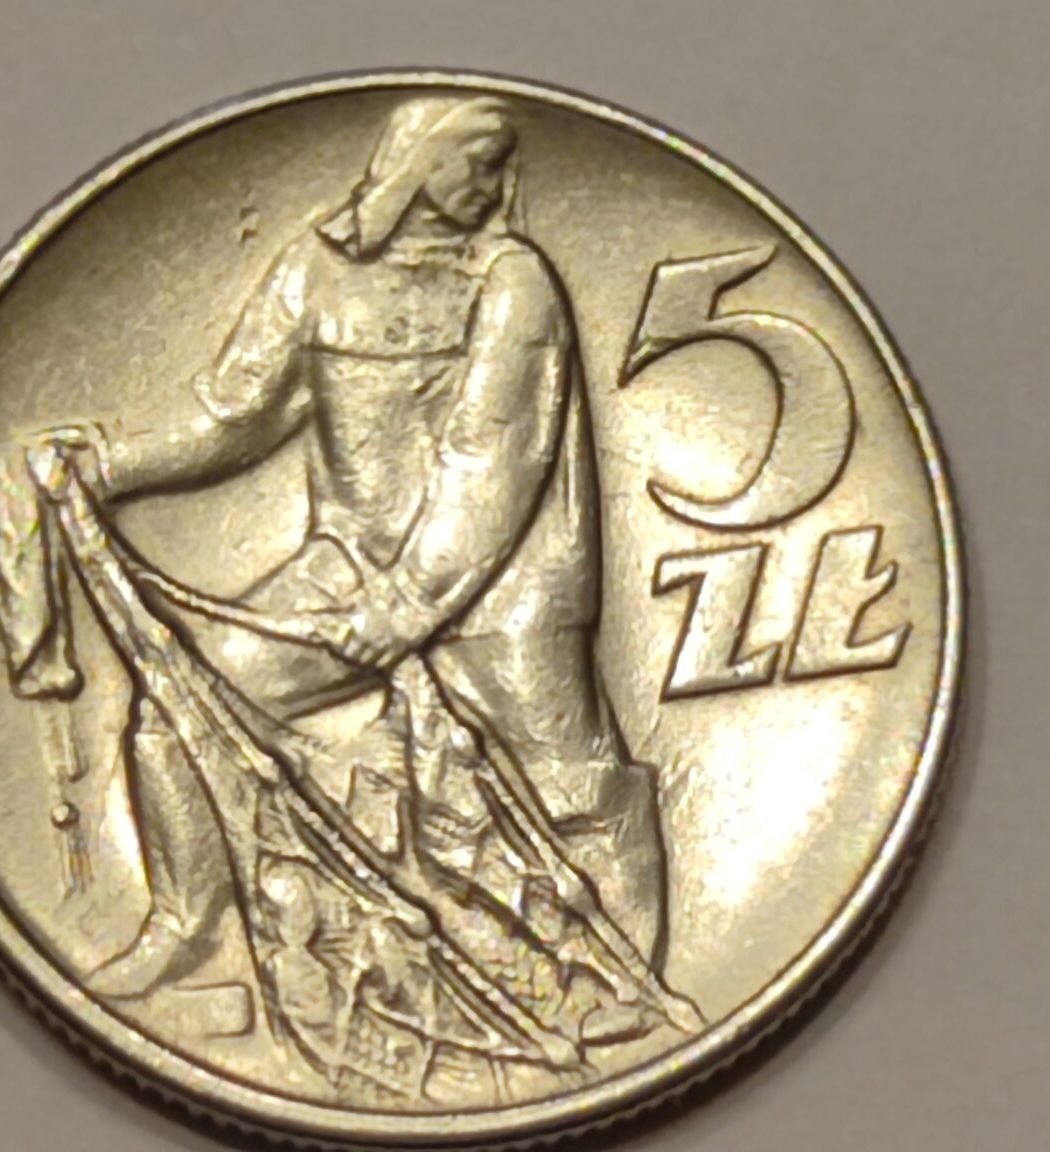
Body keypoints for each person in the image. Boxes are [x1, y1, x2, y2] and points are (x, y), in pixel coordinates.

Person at [46, 96, 668, 997]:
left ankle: (631, 982)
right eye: (475, 161)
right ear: (416, 162)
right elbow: (234, 419)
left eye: (499, 165)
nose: (491, 183)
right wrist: (107, 468)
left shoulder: (516, 281)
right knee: (180, 707)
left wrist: (407, 604)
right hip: (347, 566)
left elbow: (492, 460)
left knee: (569, 778)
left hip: (505, 587)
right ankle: (185, 930)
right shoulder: (313, 270)